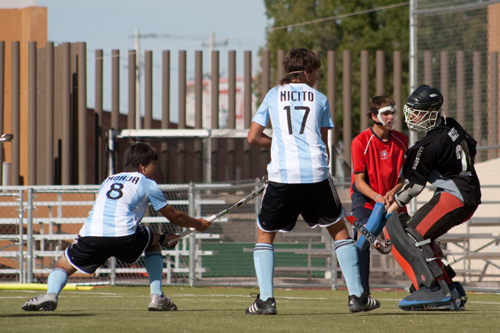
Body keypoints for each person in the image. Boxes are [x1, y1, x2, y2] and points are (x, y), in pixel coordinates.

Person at [245, 47, 380, 315]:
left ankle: (266, 301)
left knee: (264, 235)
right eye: (316, 71)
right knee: (338, 231)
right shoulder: (319, 99)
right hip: (316, 174)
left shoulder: (273, 94)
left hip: (282, 176)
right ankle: (357, 297)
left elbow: (252, 137)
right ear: (306, 72)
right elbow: (324, 144)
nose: (317, 76)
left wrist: (280, 145)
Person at [22, 142, 212, 312]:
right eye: (155, 164)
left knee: (63, 266)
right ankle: (156, 296)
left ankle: (51, 294)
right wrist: (198, 224)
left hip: (92, 235)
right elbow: (175, 217)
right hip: (125, 235)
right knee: (151, 243)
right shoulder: (147, 183)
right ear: (142, 166)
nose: (156, 169)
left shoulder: (108, 180)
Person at [385, 85, 481, 311]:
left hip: (455, 196)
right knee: (422, 236)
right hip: (469, 193)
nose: (412, 117)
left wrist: (393, 206)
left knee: (410, 235)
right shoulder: (452, 125)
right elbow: (473, 148)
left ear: (430, 113)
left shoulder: (426, 145)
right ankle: (450, 288)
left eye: (417, 112)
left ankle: (433, 288)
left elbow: (414, 188)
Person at [350, 96, 408, 294]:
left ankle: (424, 285)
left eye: (393, 112)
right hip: (366, 201)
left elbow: (403, 179)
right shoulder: (360, 142)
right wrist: (377, 198)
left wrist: (392, 192)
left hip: (392, 201)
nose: (391, 117)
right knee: (363, 237)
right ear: (374, 116)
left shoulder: (402, 140)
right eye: (386, 113)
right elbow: (359, 182)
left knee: (410, 238)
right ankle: (361, 294)